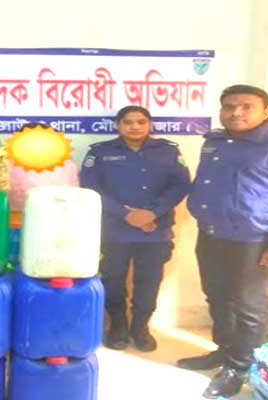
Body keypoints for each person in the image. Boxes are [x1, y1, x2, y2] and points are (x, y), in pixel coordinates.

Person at [176, 84, 268, 399]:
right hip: (211, 234)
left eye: (246, 106)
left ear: (265, 111)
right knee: (217, 296)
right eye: (229, 106)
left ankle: (239, 368)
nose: (236, 112)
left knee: (248, 306)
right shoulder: (215, 142)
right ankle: (225, 351)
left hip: (253, 240)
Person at [80, 105, 192, 352]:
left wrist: (152, 212)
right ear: (117, 125)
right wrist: (126, 214)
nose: (135, 127)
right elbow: (90, 187)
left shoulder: (168, 151)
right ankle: (118, 326)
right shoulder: (100, 152)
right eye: (128, 122)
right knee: (112, 279)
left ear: (149, 125)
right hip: (114, 230)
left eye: (141, 122)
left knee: (149, 282)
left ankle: (140, 328)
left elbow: (181, 185)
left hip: (155, 230)